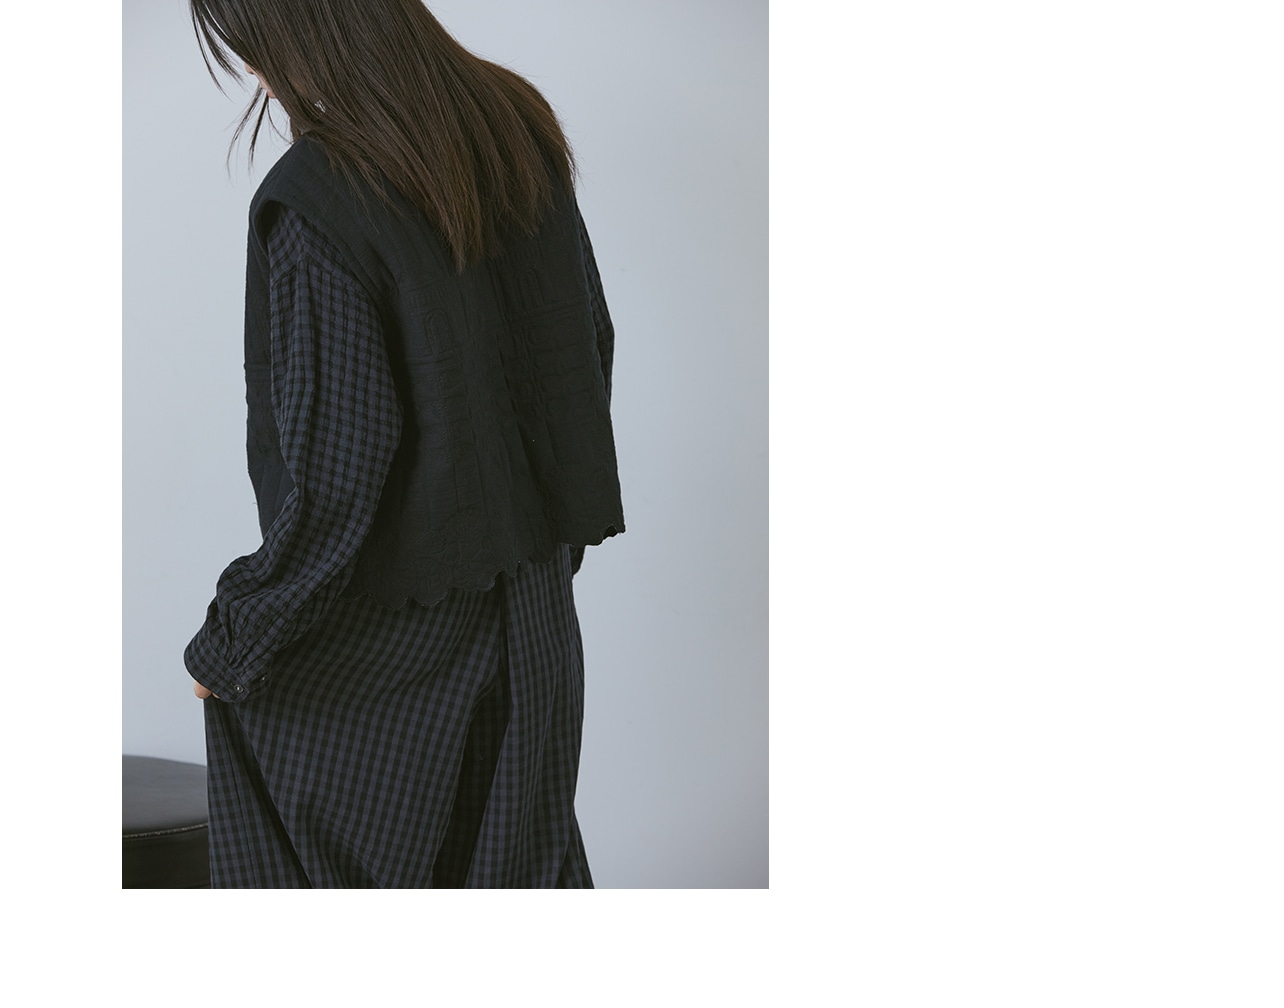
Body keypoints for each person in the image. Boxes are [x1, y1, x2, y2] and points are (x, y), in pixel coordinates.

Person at [182, 0, 624, 888]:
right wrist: (531, 542)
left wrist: (233, 642)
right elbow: (587, 346)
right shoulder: (514, 121)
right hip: (536, 614)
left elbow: (340, 471)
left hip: (399, 633)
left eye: (248, 47)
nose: (252, 72)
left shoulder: (319, 194)